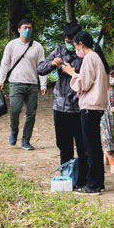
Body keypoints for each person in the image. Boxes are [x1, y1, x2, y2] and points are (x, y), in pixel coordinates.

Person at [61, 30, 107, 195]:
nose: (76, 50)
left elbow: (84, 83)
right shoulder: (97, 57)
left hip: (90, 106)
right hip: (97, 106)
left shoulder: (89, 58)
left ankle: (93, 184)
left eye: (75, 46)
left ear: (80, 44)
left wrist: (72, 73)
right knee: (94, 144)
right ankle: (98, 182)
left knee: (90, 147)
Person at [37, 23, 86, 168]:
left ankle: (83, 178)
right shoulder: (58, 51)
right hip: (60, 106)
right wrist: (52, 64)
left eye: (72, 41)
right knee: (63, 144)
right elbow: (40, 69)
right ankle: (66, 174)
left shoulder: (85, 55)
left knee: (82, 145)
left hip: (80, 106)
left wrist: (73, 72)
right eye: (67, 40)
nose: (69, 43)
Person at [0, 18, 47, 150]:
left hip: (32, 84)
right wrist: (0, 80)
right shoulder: (11, 45)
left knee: (31, 113)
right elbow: (5, 63)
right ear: (19, 30)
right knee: (15, 109)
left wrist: (43, 84)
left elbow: (42, 66)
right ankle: (14, 130)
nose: (27, 30)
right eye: (25, 28)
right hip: (16, 83)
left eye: (30, 28)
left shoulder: (37, 46)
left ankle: (26, 140)